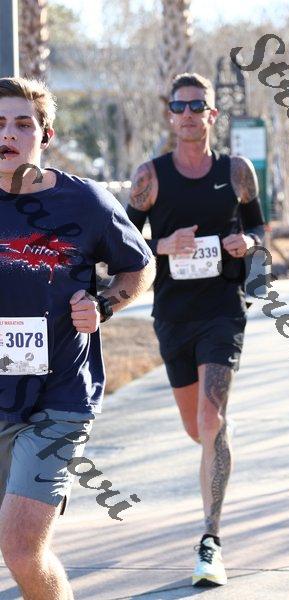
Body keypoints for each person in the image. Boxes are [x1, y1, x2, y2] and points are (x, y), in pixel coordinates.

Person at [0, 77, 155, 600]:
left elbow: (140, 266)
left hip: (59, 398)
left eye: (23, 124)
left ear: (45, 135)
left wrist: (105, 303)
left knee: (22, 550)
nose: (9, 134)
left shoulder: (83, 201)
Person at [127, 72, 265, 587]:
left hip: (222, 309)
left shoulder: (236, 171)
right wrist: (163, 246)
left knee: (211, 420)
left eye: (197, 106)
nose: (188, 114)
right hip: (172, 313)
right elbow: (125, 243)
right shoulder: (150, 176)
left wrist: (248, 244)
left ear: (212, 114)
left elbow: (257, 225)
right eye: (179, 106)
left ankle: (210, 541)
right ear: (170, 115)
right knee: (198, 430)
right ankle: (216, 443)